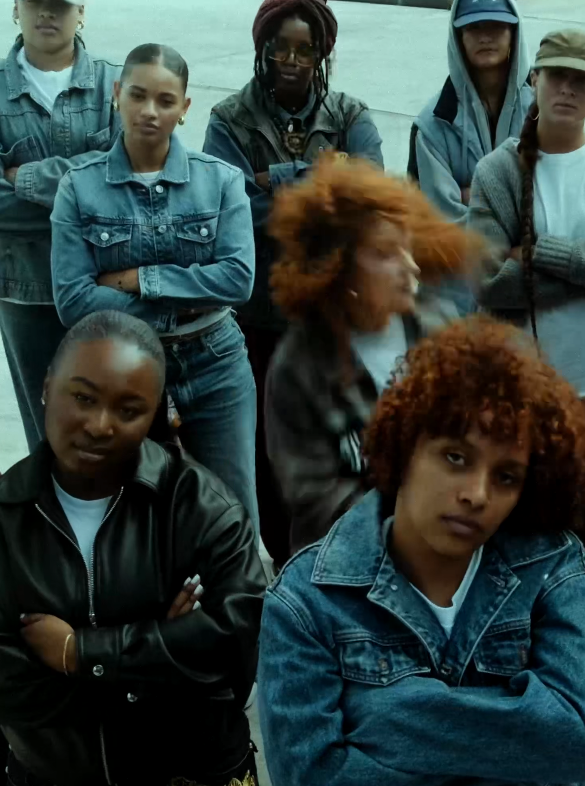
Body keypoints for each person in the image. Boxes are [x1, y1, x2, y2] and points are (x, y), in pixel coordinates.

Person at [258, 316, 585, 786]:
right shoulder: (307, 599)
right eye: (455, 457)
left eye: (506, 476)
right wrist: (518, 739)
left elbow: (579, 740)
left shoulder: (558, 572)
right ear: (403, 449)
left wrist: (377, 715)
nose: (476, 492)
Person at [0, 311, 268, 786]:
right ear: (46, 387)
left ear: (153, 415)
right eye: (83, 397)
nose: (99, 424)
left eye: (128, 408)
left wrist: (79, 654)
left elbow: (235, 656)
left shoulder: (201, 508)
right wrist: (164, 655)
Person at [51, 43, 260, 528]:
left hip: (215, 362)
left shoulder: (223, 181)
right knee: (133, 516)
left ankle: (242, 602)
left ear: (185, 110)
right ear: (117, 95)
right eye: (138, 96)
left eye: (166, 101)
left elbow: (237, 279)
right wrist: (176, 306)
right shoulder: (79, 187)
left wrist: (138, 281)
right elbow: (74, 300)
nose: (150, 111)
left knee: (234, 510)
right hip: (121, 371)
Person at [204, 0, 383, 563]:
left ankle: (339, 564)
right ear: (262, 48)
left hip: (331, 318)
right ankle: (286, 568)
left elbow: (366, 197)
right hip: (259, 318)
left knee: (334, 450)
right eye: (279, 46)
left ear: (321, 54)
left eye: (305, 49)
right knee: (267, 457)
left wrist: (274, 178)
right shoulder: (228, 119)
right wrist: (323, 179)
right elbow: (230, 208)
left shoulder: (351, 114)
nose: (291, 59)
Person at [264, 156, 472, 555]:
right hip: (343, 568)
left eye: (408, 249)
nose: (409, 267)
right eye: (385, 253)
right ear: (337, 267)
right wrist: (422, 518)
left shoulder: (439, 329)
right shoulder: (299, 365)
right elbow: (313, 494)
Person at [468, 28, 585, 439]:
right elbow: (487, 282)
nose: (568, 90)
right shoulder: (496, 171)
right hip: (521, 384)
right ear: (534, 79)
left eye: (583, 81)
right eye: (557, 76)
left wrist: (541, 254)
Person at [0, 0, 121, 450]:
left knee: (113, 424)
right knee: (47, 432)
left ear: (81, 11)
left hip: (104, 284)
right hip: (24, 288)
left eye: (60, 5)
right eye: (35, 4)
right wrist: (85, 196)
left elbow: (130, 175)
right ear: (16, 10)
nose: (47, 13)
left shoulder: (117, 87)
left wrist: (25, 178)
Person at [408, 0, 532, 223]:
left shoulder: (541, 110)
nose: (484, 37)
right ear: (458, 38)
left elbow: (556, 197)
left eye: (495, 25)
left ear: (513, 32)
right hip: (464, 256)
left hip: (531, 256)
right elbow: (441, 217)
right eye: (473, 27)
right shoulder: (433, 124)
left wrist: (472, 195)